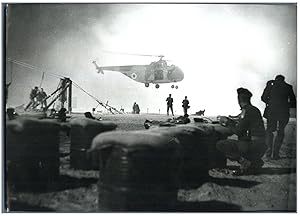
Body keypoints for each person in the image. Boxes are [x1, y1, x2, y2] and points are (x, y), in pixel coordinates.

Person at [216, 88, 267, 175]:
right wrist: (230, 121)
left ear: (239, 100)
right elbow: (243, 122)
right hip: (261, 145)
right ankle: (255, 161)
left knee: (220, 144)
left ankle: (245, 162)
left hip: (253, 145)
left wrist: (226, 122)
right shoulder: (254, 109)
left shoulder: (246, 111)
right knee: (242, 142)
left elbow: (239, 131)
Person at [262, 75, 296, 160]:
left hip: (272, 112)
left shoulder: (271, 86)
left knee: (269, 131)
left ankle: (268, 153)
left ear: (276, 79)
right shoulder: (288, 87)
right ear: (284, 80)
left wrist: (270, 102)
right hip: (283, 113)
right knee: (280, 131)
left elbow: (263, 98)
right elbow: (293, 102)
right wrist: (285, 105)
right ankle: (276, 154)